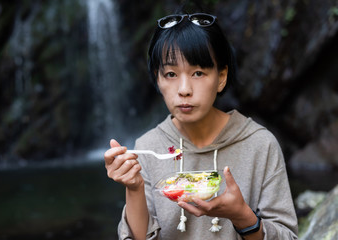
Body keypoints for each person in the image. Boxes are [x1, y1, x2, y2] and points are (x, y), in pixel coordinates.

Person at [104, 8, 298, 240]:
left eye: (198, 73)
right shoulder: (148, 147)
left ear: (221, 77)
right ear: (158, 78)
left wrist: (243, 217)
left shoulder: (260, 144)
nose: (184, 90)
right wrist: (133, 189)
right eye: (170, 74)